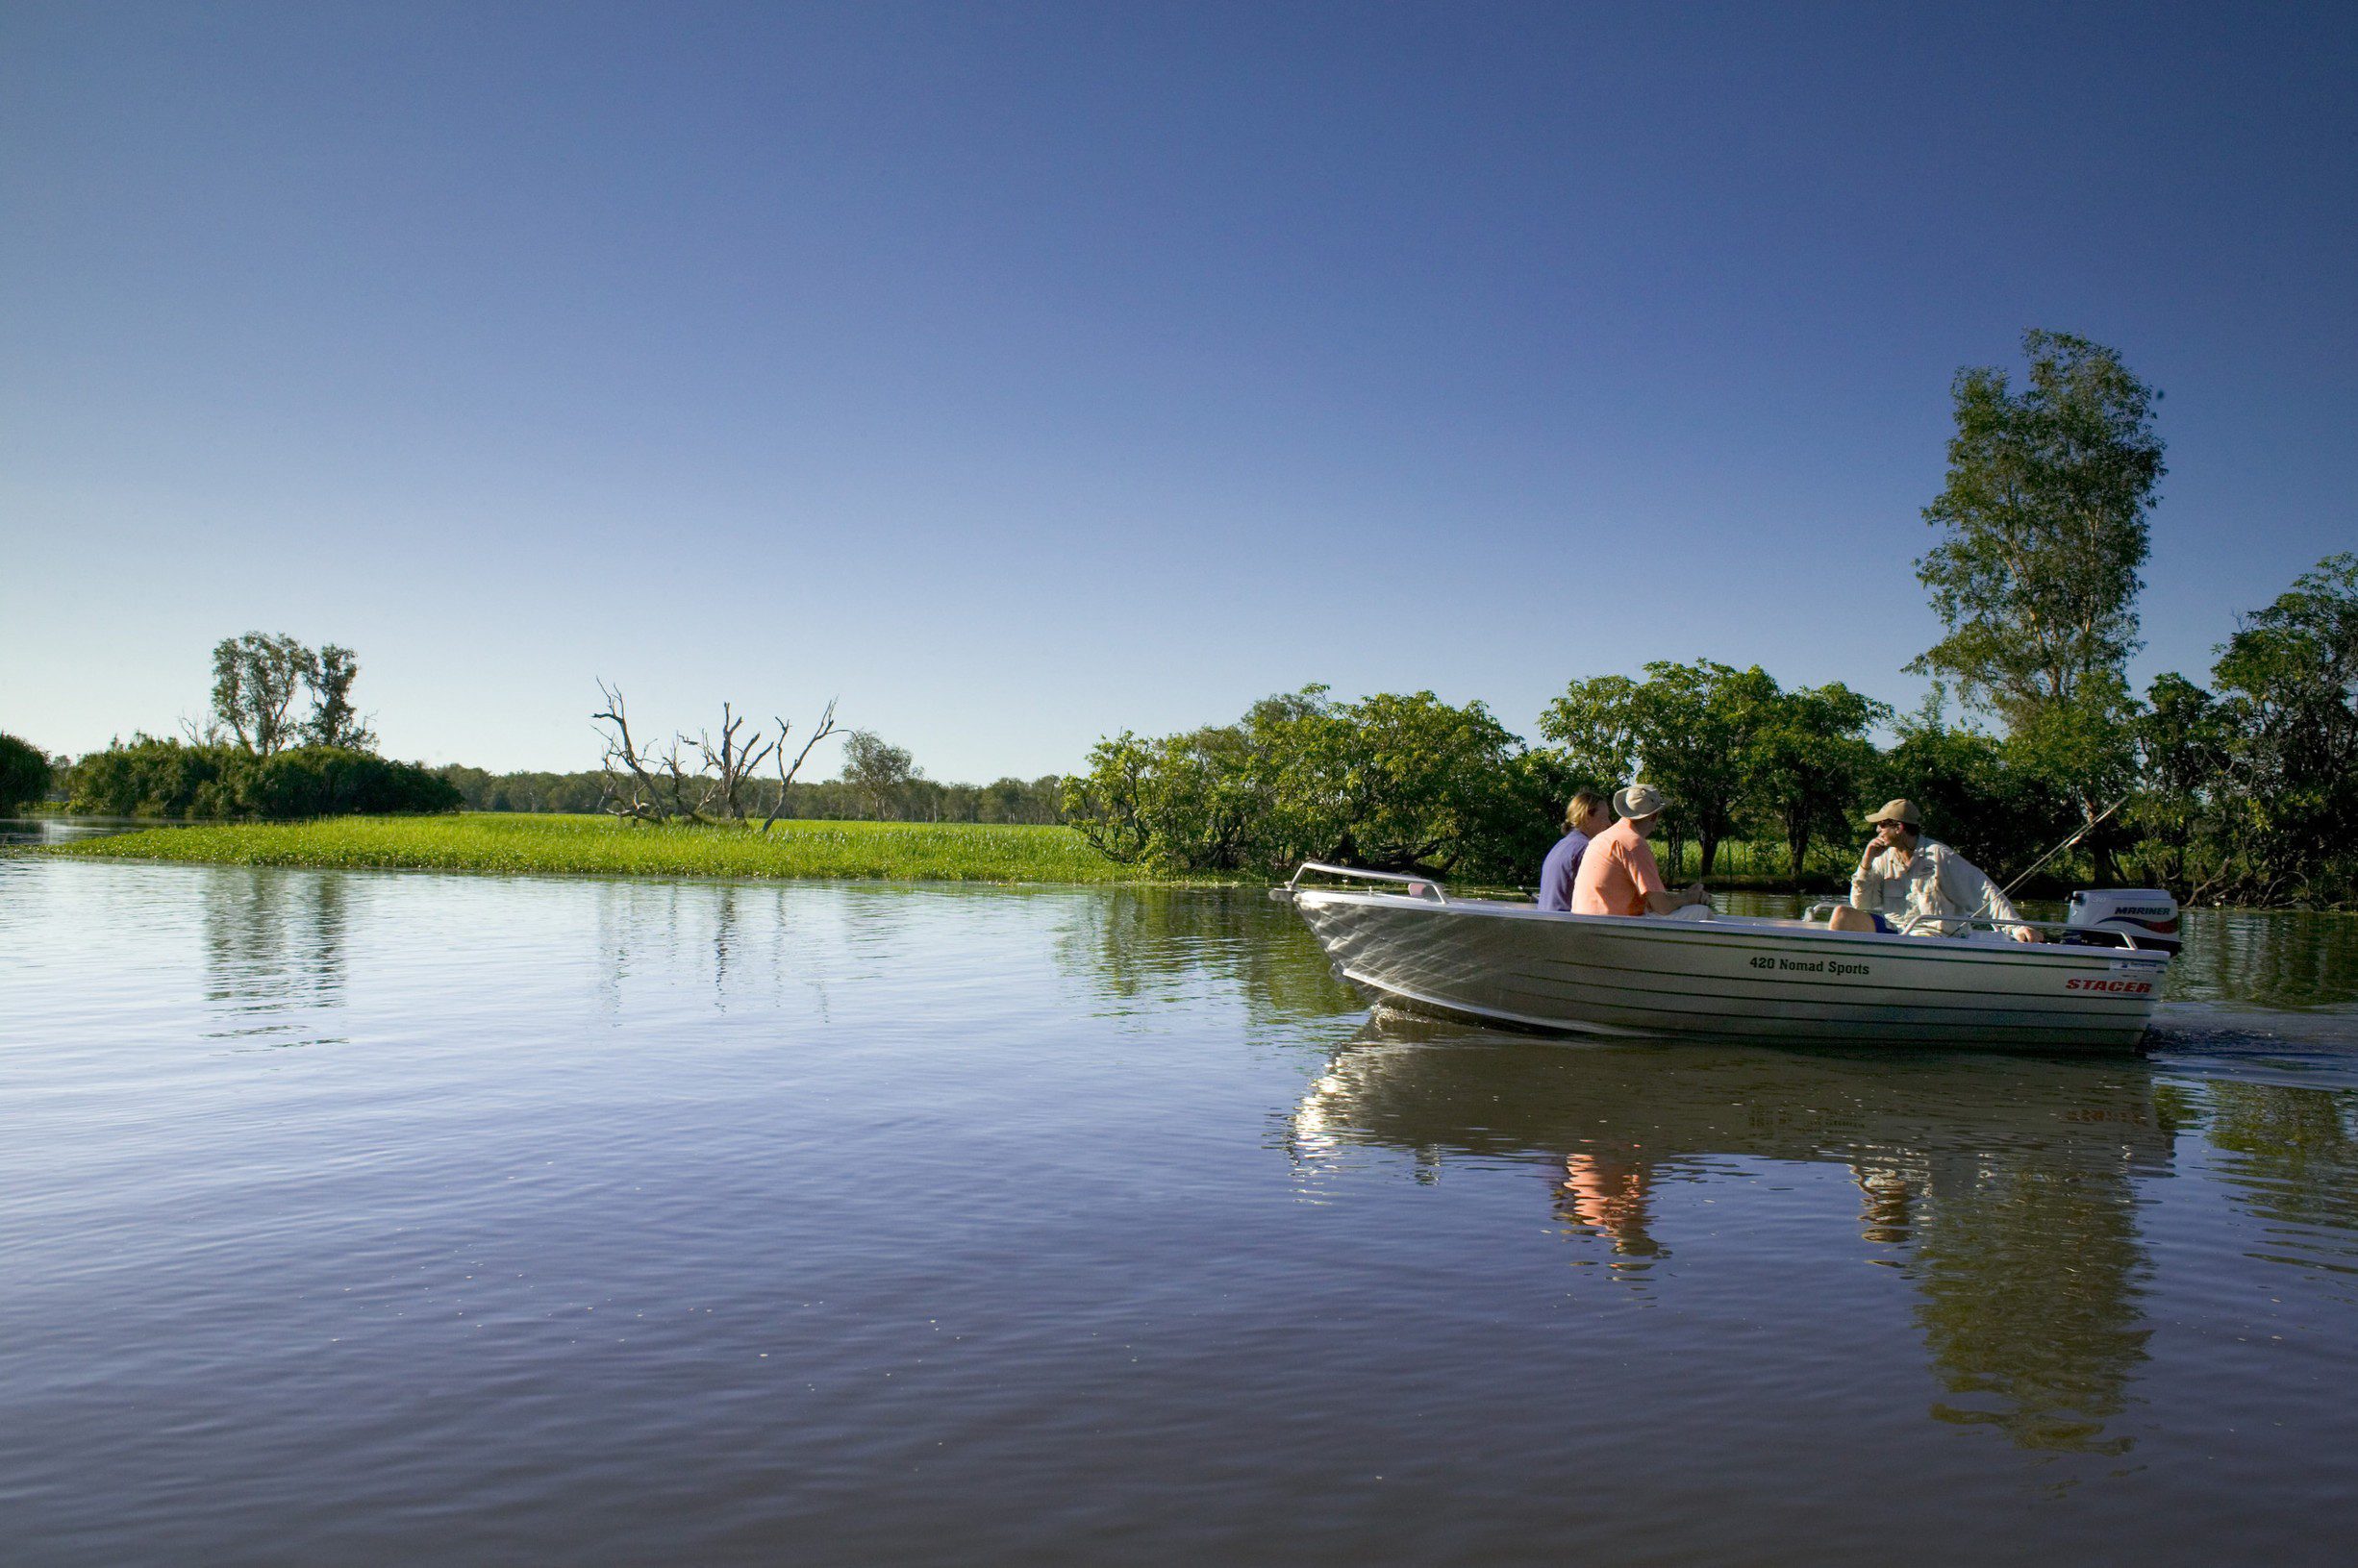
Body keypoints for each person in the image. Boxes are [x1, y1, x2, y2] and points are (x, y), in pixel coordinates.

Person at [1848, 798, 2038, 941]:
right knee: (1843, 915)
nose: (1877, 830)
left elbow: (1981, 890)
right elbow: (1862, 904)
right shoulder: (1882, 859)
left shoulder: (1939, 856)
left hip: (1934, 938)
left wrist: (2017, 927)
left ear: (1898, 827)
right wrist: (1866, 863)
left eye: (1882, 824)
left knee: (1917, 940)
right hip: (1896, 933)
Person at [1571, 784, 1711, 918]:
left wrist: (1684, 897)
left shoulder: (1602, 838)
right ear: (1654, 816)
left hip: (1584, 921)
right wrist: (1689, 898)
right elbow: (1663, 907)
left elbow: (1652, 901)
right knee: (1701, 912)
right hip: (1613, 924)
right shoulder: (1634, 843)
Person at [1535, 789, 1612, 911]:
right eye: (1604, 817)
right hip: (1568, 925)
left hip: (1548, 922)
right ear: (1587, 816)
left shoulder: (1561, 845)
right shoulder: (1587, 849)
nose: (1609, 824)